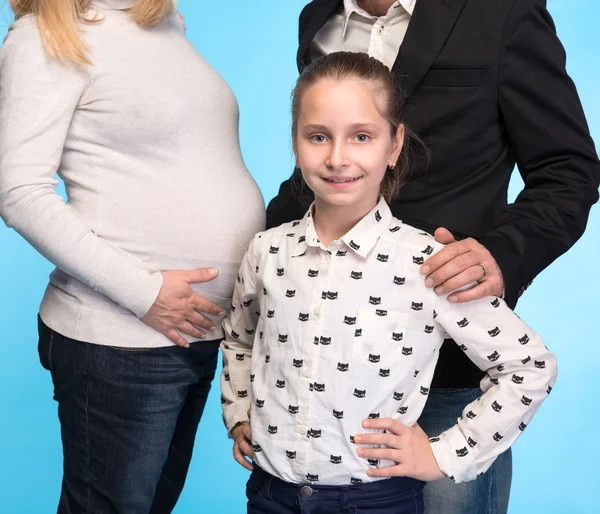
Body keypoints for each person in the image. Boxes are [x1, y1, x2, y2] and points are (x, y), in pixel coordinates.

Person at [266, 1, 600, 512]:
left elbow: (568, 171)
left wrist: (500, 254)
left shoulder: (503, 12)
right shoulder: (316, 17)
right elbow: (331, 157)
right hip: (322, 360)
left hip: (448, 355)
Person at [221, 51, 557, 514]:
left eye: (362, 136)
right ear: (295, 143)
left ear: (394, 145)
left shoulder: (427, 263)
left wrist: (445, 453)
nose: (338, 158)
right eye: (318, 136)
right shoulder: (266, 251)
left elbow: (529, 366)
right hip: (270, 493)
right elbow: (239, 339)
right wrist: (239, 413)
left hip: (376, 500)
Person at [0, 1, 265, 512]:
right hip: (118, 340)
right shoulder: (42, 35)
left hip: (196, 332)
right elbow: (17, 191)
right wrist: (143, 292)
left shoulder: (163, 22)